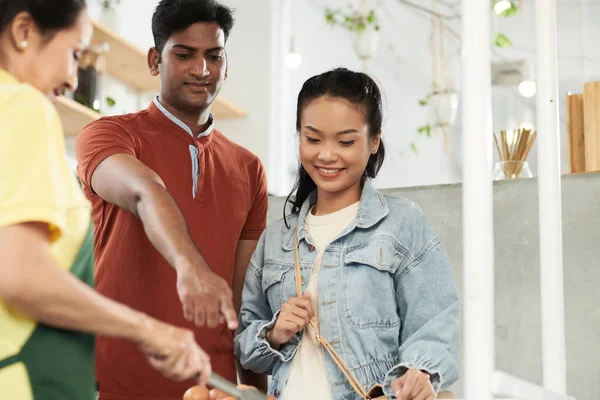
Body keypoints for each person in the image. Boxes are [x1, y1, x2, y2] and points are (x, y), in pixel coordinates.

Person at [0, 1, 212, 399]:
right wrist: (147, 330)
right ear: (23, 31)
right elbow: (20, 276)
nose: (72, 78)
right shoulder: (22, 107)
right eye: (75, 53)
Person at [75, 0, 268, 398]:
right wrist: (190, 265)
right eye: (184, 54)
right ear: (154, 60)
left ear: (226, 65)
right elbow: (145, 190)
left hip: (209, 388)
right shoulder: (107, 135)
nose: (202, 70)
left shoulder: (249, 169)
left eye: (214, 57)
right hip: (112, 382)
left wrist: (252, 389)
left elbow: (243, 297)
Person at [234, 68, 460, 400]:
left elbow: (435, 321)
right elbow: (246, 345)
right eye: (313, 139)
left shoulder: (401, 223)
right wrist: (274, 332)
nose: (327, 154)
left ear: (373, 142)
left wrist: (420, 371)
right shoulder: (276, 239)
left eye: (345, 141)